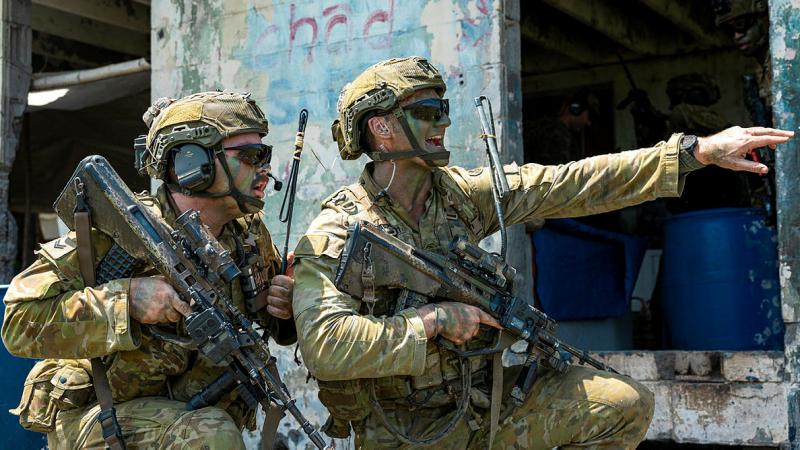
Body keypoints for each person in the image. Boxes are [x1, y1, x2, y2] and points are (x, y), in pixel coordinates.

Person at [291, 56, 793, 449]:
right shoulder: (340, 231)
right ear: (380, 127)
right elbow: (326, 348)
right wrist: (435, 322)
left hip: (484, 406)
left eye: (443, 109)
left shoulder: (462, 195)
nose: (442, 122)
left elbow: (569, 183)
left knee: (621, 403)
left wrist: (694, 153)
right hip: (406, 432)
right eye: (426, 112)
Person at [1, 91, 296, 449]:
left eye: (265, 155)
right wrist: (126, 302)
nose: (264, 168)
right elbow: (18, 322)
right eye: (251, 156)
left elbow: (269, 322)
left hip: (188, 413)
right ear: (193, 163)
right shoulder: (119, 232)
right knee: (211, 433)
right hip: (101, 416)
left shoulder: (247, 235)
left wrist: (282, 307)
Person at [523, 91, 598, 165]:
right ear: (576, 109)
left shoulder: (549, 128)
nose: (588, 122)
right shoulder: (557, 134)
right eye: (590, 116)